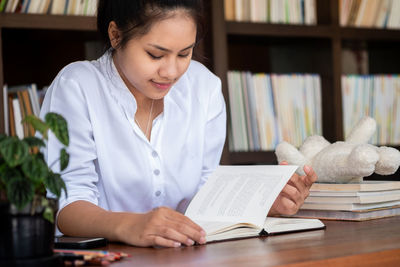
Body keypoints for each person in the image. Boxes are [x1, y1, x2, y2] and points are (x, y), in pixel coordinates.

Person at [41, 0, 317, 248]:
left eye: (184, 54)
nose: (171, 72)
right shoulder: (77, 86)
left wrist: (262, 203)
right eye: (155, 55)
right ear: (116, 35)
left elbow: (206, 195)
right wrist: (131, 225)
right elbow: (67, 204)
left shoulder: (204, 87)